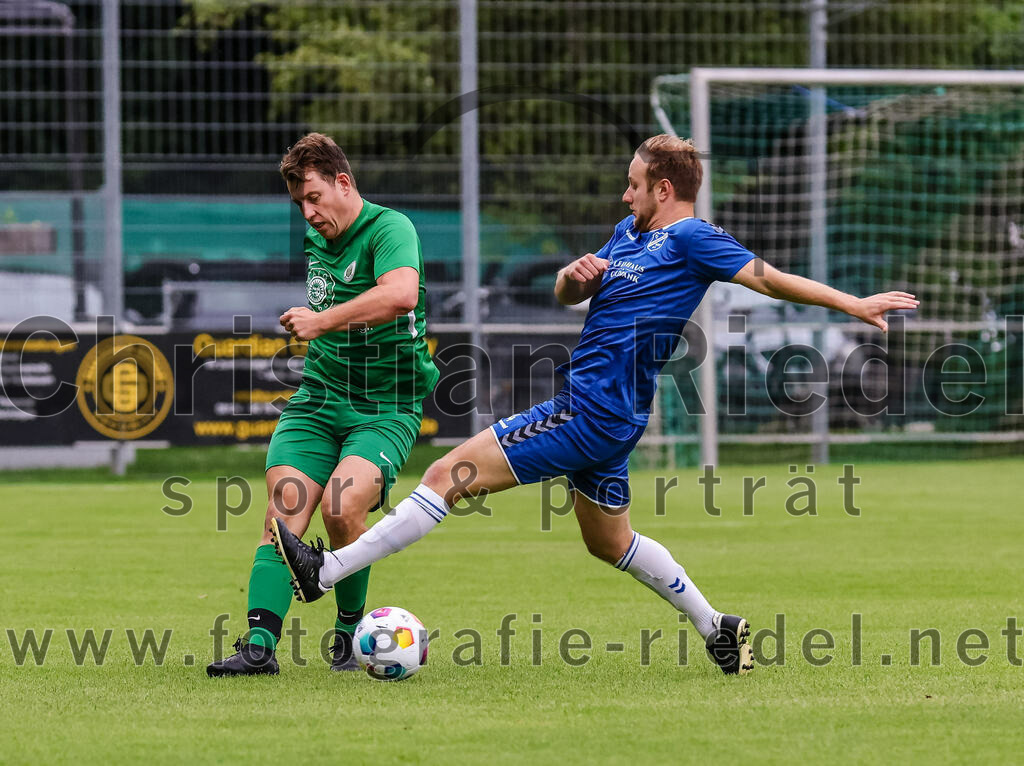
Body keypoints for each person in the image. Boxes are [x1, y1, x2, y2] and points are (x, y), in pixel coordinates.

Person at [271, 134, 919, 675]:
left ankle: (327, 571)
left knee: (447, 475)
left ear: (664, 188)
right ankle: (716, 626)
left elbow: (770, 278)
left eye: (635, 184)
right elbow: (565, 296)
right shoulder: (626, 236)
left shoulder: (693, 238)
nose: (625, 193)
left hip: (593, 409)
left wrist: (852, 304)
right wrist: (571, 278)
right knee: (609, 542)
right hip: (612, 416)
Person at [207, 133, 439, 676]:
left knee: (342, 509)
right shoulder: (320, 240)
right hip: (318, 401)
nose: (308, 214)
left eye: (314, 198)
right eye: (299, 205)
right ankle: (259, 649)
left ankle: (349, 636)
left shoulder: (389, 229)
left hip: (386, 406)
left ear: (343, 182)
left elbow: (400, 294)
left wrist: (320, 322)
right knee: (283, 512)